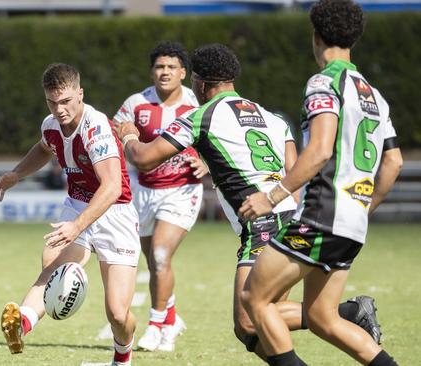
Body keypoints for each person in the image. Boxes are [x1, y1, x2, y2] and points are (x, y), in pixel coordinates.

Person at [115, 43, 383, 362]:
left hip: (263, 223)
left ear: (199, 84)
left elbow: (144, 159)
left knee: (249, 320)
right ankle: (343, 314)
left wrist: (129, 134)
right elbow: (295, 173)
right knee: (260, 327)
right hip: (292, 213)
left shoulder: (201, 116)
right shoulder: (271, 118)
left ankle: (348, 311)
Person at [238, 1, 403, 365]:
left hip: (321, 215)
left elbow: (319, 150)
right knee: (321, 318)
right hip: (351, 223)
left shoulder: (323, 82)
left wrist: (273, 195)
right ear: (353, 40)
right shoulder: (374, 95)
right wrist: (363, 207)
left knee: (255, 299)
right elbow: (393, 161)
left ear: (315, 36)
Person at [0, 63, 140, 366]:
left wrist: (77, 226)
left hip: (115, 213)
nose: (59, 109)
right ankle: (22, 323)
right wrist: (16, 174)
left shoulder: (95, 127)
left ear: (80, 94)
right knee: (52, 263)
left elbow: (111, 188)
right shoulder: (50, 124)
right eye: (52, 102)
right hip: (76, 205)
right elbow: (44, 149)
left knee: (117, 313)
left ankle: (122, 358)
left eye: (66, 101)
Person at [112, 41, 207, 352]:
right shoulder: (136, 103)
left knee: (161, 255)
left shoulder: (198, 105)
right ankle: (172, 318)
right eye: (159, 67)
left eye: (171, 67)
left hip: (182, 191)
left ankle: (155, 325)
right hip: (143, 191)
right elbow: (115, 132)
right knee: (154, 263)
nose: (164, 72)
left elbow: (216, 139)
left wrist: (205, 162)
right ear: (152, 71)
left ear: (183, 72)